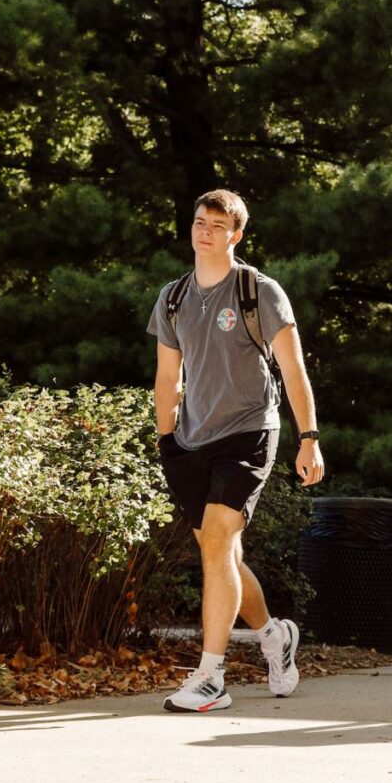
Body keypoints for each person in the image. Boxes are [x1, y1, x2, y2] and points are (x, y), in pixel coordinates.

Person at [148, 189, 325, 712]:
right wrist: (166, 441)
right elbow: (166, 376)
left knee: (217, 542)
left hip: (250, 432)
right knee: (222, 553)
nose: (205, 232)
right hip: (191, 438)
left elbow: (293, 368)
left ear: (236, 235)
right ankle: (275, 635)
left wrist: (309, 437)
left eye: (217, 225)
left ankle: (210, 677)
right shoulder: (173, 297)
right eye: (200, 222)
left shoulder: (259, 292)